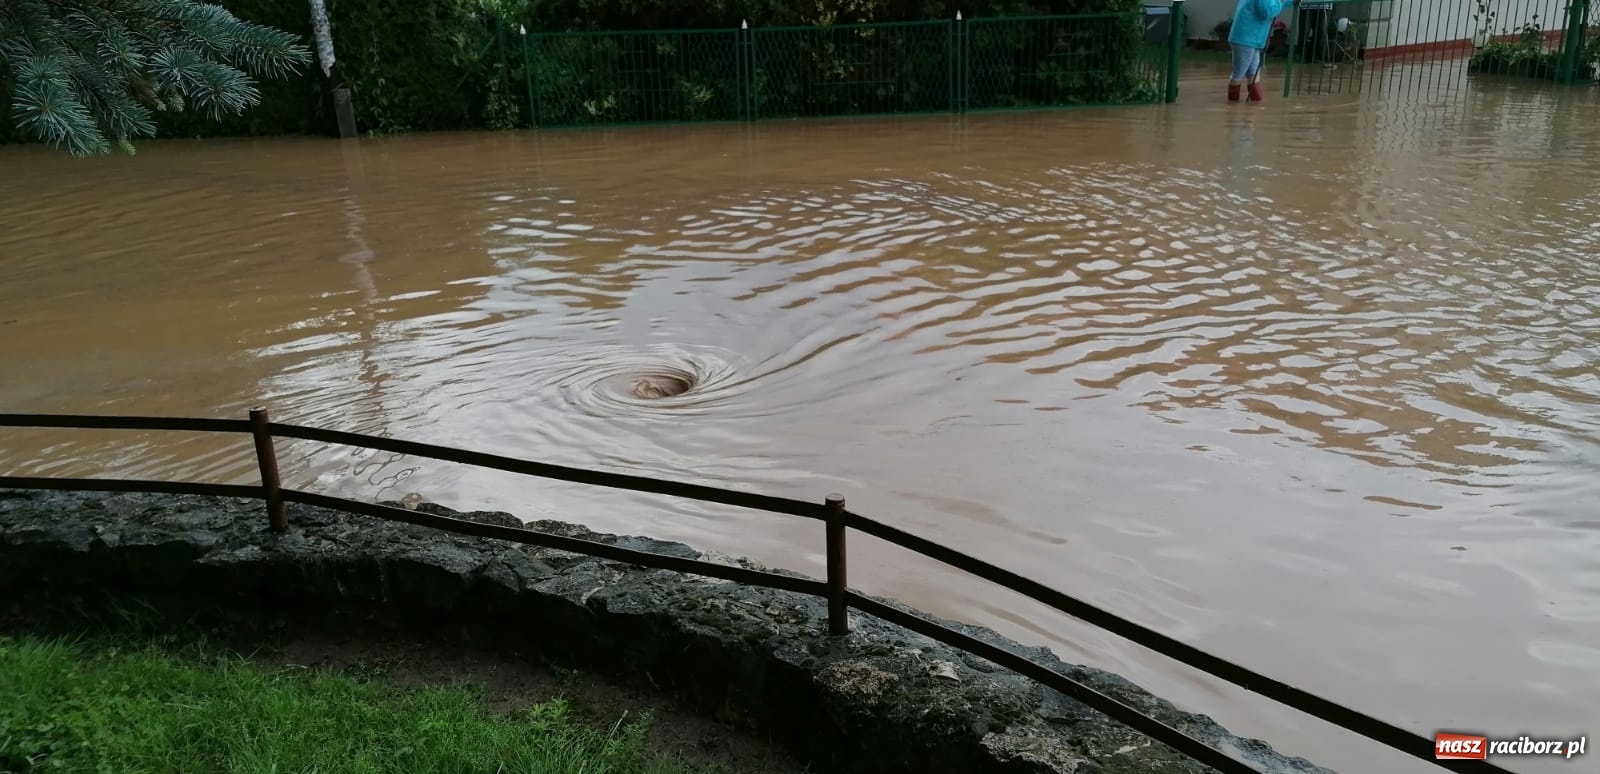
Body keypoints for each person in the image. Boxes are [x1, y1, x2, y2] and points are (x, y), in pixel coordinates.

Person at [1228, 0, 1294, 103]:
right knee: (1239, 74)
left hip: (1250, 39)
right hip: (1246, 39)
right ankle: (1232, 108)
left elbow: (1274, 5)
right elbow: (1267, 11)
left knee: (1253, 74)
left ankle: (1254, 106)